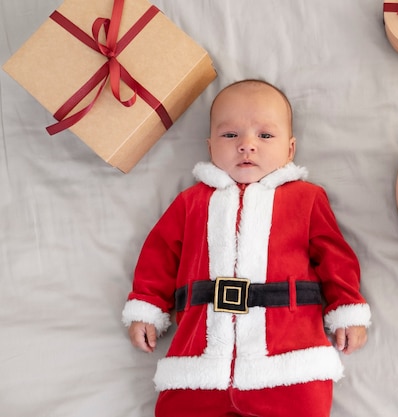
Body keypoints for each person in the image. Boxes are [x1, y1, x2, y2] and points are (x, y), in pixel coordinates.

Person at [122, 79, 371, 417]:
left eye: (265, 136)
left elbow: (335, 257)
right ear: (210, 147)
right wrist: (147, 306)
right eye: (230, 135)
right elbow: (160, 254)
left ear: (290, 148)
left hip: (290, 365)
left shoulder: (306, 199)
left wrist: (347, 309)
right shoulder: (191, 202)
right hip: (198, 367)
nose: (247, 146)